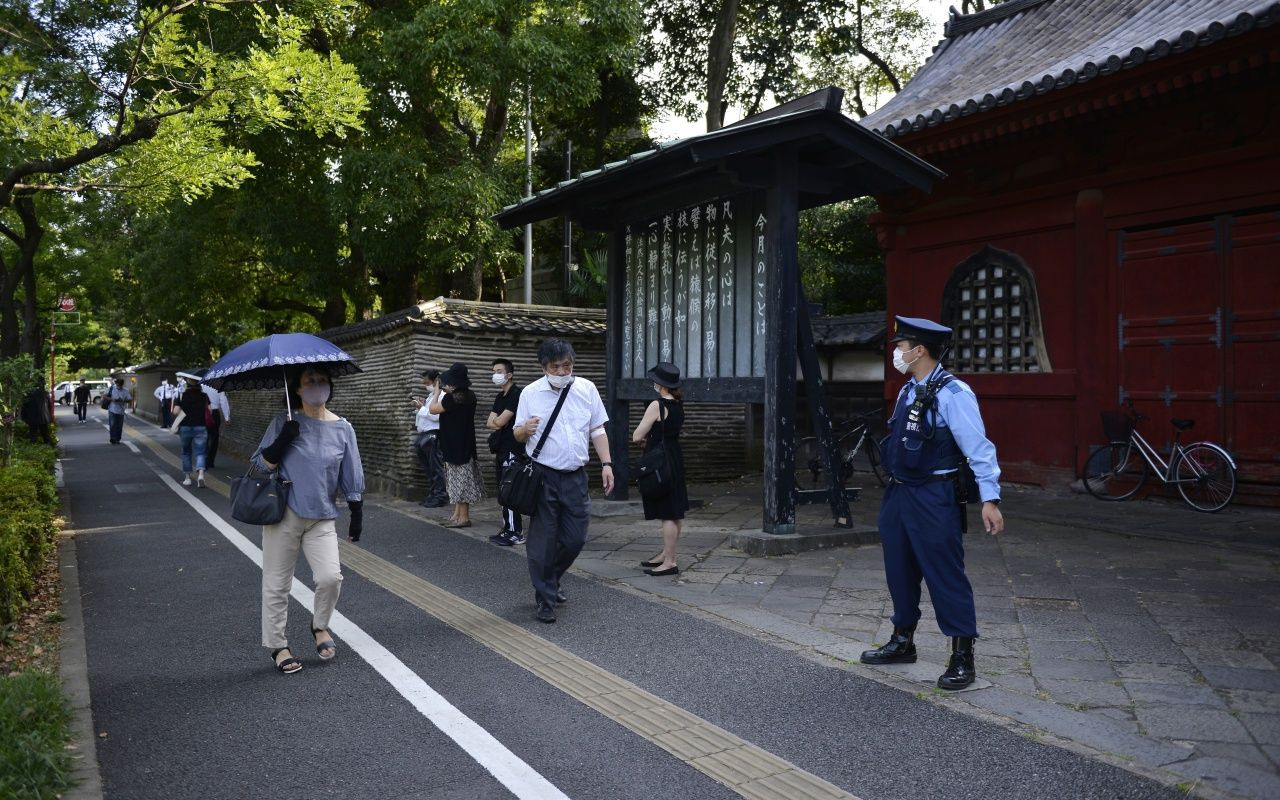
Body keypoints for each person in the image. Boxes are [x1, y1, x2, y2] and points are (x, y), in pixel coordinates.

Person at [860, 316, 1005, 691]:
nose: (897, 352)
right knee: (899, 567)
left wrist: (990, 498)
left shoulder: (954, 393)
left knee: (944, 572)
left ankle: (962, 656)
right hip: (900, 493)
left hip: (934, 494)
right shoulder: (910, 389)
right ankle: (902, 640)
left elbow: (979, 448)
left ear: (919, 350)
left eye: (901, 346)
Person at [252, 366, 364, 675]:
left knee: (331, 578)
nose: (317, 386)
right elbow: (261, 467)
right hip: (284, 514)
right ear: (296, 390)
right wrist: (282, 441)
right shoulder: (284, 422)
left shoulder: (343, 428)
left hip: (323, 517)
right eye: (309, 381)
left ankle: (319, 625)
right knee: (277, 584)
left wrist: (357, 512)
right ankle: (278, 645)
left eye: (322, 381)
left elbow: (351, 473)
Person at [514, 338, 613, 624]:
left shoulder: (586, 389)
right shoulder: (530, 394)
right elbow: (517, 435)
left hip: (576, 476)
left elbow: (597, 429)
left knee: (575, 537)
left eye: (566, 365)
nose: (561, 371)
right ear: (544, 367)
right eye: (555, 367)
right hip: (543, 475)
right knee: (543, 540)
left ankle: (550, 579)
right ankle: (545, 598)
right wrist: (525, 430)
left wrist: (607, 464)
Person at [631, 363, 689, 577]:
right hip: (674, 457)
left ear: (660, 384)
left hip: (659, 461)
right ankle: (666, 554)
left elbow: (637, 435)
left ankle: (670, 561)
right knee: (675, 511)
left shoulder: (657, 405)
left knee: (667, 512)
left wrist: (646, 438)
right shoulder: (678, 404)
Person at [429, 363, 485, 528]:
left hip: (453, 444)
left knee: (458, 480)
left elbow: (432, 409)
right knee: (461, 479)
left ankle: (464, 518)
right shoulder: (470, 396)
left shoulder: (450, 398)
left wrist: (437, 392)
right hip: (466, 442)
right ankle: (457, 515)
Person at [486, 358, 525, 546]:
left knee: (510, 489)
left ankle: (515, 532)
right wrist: (499, 422)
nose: (496, 374)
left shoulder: (517, 394)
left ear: (509, 374)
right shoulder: (500, 397)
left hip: (513, 449)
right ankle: (507, 528)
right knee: (503, 488)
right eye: (494, 371)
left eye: (499, 371)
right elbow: (490, 422)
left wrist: (499, 422)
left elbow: (498, 422)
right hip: (501, 447)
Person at [412, 369, 448, 508]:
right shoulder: (431, 396)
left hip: (434, 434)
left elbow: (436, 416)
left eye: (426, 382)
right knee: (429, 468)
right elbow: (426, 414)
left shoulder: (442, 396)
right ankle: (433, 494)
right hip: (424, 434)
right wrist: (420, 407)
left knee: (436, 467)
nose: (424, 384)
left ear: (435, 381)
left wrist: (421, 408)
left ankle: (440, 496)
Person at [173, 381, 210, 487]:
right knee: (201, 452)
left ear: (187, 386)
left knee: (186, 452)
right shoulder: (204, 396)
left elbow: (175, 411)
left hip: (185, 427)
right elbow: (210, 410)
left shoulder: (181, 396)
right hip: (201, 426)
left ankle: (187, 478)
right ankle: (201, 475)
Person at [202, 382, 231, 469]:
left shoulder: (202, 386)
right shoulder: (218, 387)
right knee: (214, 438)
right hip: (214, 413)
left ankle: (203, 460)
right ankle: (210, 461)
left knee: (204, 437)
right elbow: (224, 401)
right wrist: (227, 417)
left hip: (204, 413)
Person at [104, 377, 132, 444]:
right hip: (112, 409)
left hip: (121, 411)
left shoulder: (126, 390)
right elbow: (104, 396)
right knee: (112, 425)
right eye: (118, 385)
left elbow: (129, 400)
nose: (119, 386)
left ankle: (118, 439)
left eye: (120, 385)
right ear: (116, 383)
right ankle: (113, 438)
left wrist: (123, 400)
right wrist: (112, 399)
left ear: (122, 384)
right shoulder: (111, 388)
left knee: (119, 426)